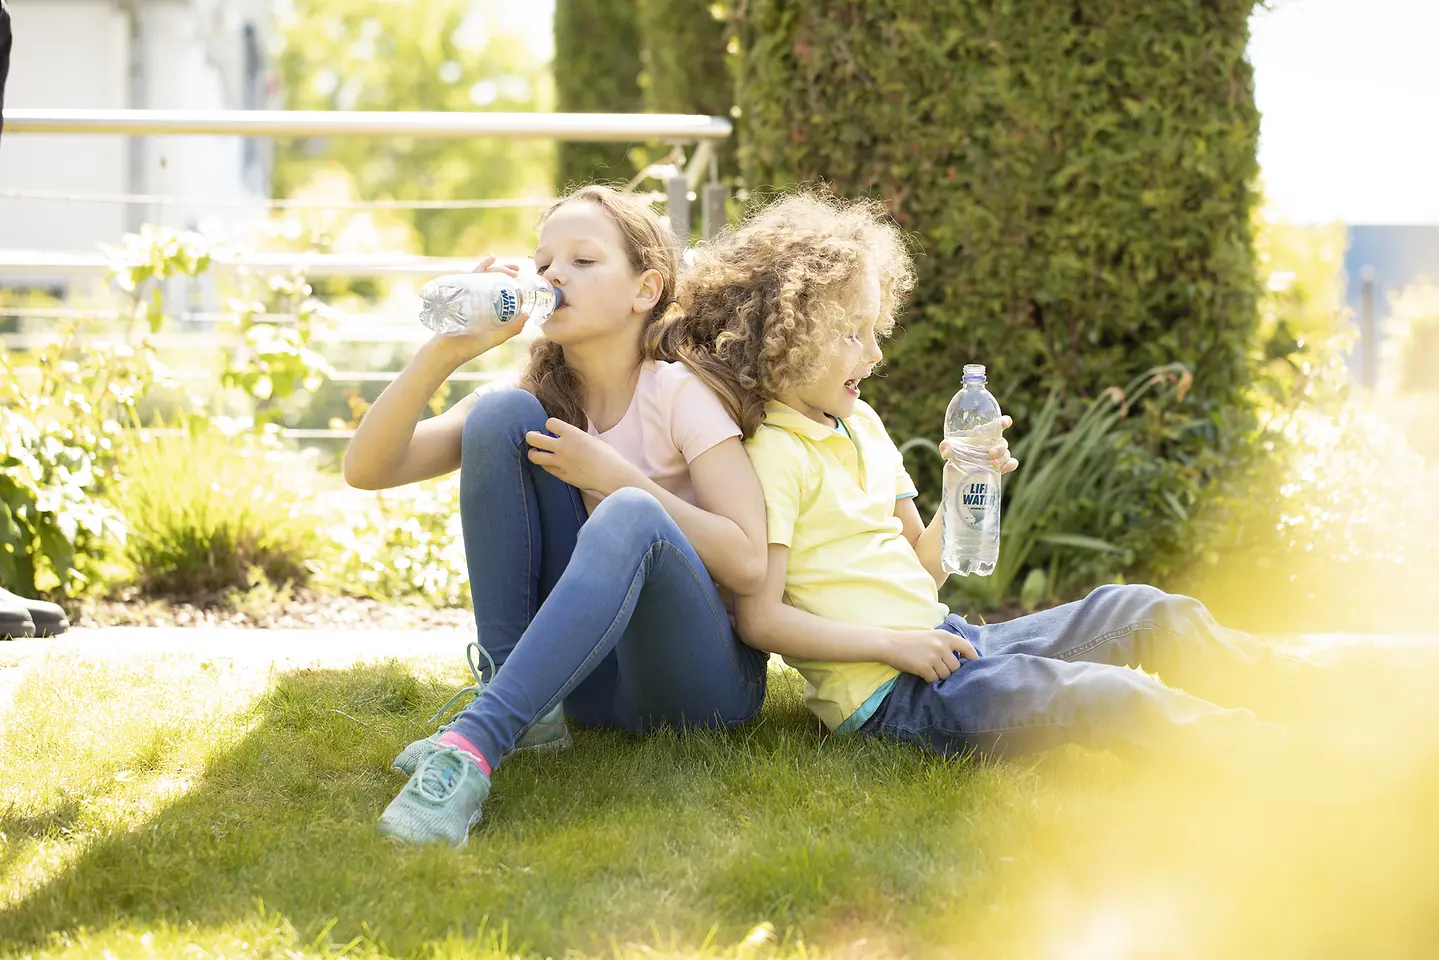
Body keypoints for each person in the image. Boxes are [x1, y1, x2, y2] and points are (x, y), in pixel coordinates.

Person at [672, 192, 1289, 762]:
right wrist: (896, 647)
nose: (875, 353)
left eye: (874, 330)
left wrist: (964, 486)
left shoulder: (860, 421)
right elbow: (762, 622)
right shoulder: (775, 453)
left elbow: (922, 569)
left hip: (946, 643)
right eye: (851, 335)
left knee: (1140, 609)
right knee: (1100, 693)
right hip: (894, 696)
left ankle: (1297, 692)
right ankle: (1271, 755)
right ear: (785, 341)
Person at [344, 186, 770, 847]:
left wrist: (618, 478)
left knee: (628, 512)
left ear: (644, 290)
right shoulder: (538, 395)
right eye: (543, 262)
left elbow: (747, 560)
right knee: (497, 416)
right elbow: (368, 469)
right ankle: (525, 713)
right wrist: (446, 351)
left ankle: (474, 746)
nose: (552, 276)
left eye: (582, 260)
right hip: (592, 695)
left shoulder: (678, 393)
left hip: (699, 689)